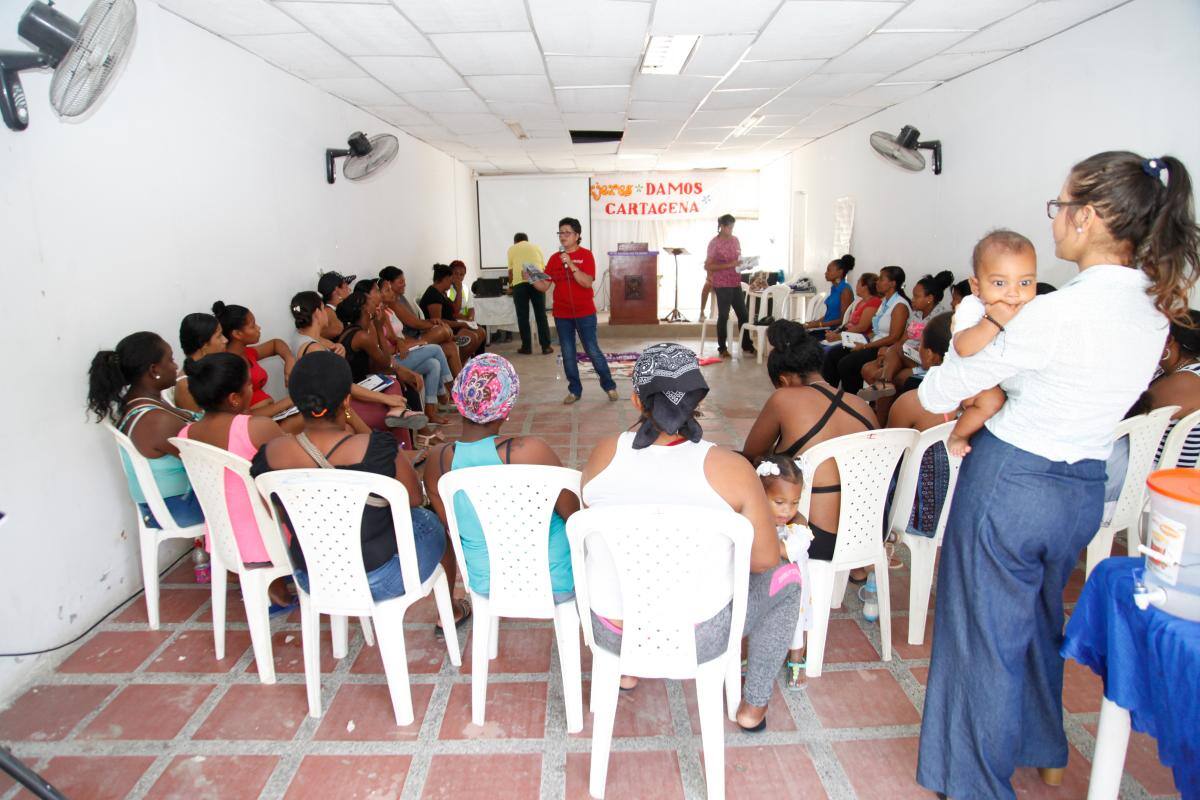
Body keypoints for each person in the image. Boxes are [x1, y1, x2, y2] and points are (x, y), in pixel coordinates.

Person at [915, 152, 1199, 800]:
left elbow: (940, 390)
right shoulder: (1154, 311)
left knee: (981, 637)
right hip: (1081, 490)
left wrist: (980, 324)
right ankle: (1043, 748)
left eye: (1060, 207)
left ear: (1090, 216)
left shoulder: (1052, 312)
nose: (1056, 221)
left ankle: (974, 784)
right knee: (1041, 616)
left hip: (1010, 484)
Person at [580, 344, 800, 730]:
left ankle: (627, 671)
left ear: (636, 399)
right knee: (789, 579)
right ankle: (753, 707)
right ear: (699, 397)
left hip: (611, 631)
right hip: (701, 637)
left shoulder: (602, 454)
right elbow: (764, 560)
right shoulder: (731, 468)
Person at [250, 351, 449, 603]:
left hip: (312, 576)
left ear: (295, 402)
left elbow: (274, 512)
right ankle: (450, 610)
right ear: (347, 400)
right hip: (379, 578)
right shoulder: (375, 448)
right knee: (429, 519)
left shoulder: (269, 454)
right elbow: (412, 498)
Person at [424, 354, 579, 628]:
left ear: (459, 402)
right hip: (555, 579)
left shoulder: (438, 461)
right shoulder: (528, 451)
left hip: (487, 583)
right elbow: (574, 514)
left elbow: (453, 528)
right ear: (506, 409)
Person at [742, 321, 878, 580]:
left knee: (755, 476)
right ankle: (858, 569)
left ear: (783, 379)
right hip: (868, 532)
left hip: (814, 538)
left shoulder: (784, 398)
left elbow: (751, 456)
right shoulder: (861, 404)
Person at [175, 353, 293, 610]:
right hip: (268, 540)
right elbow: (292, 470)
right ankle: (283, 582)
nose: (253, 389)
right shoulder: (256, 427)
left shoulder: (186, 433)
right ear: (234, 398)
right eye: (249, 384)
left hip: (222, 538)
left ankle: (267, 584)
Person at [88, 332, 204, 529]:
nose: (176, 366)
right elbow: (204, 459)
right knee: (262, 487)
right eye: (171, 359)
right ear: (153, 370)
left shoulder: (141, 402)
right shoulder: (156, 420)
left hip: (166, 503)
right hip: (178, 507)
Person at [939, 231, 1039, 456]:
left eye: (1025, 282)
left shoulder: (1027, 308)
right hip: (968, 375)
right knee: (993, 401)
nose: (1013, 293)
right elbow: (963, 347)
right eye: (1000, 283)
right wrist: (993, 321)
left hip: (998, 377)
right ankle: (958, 434)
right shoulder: (972, 306)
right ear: (976, 286)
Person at [288, 290, 429, 442]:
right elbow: (345, 386)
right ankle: (401, 444)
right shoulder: (314, 349)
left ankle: (399, 419)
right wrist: (386, 399)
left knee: (393, 385)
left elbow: (321, 346)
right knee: (393, 394)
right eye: (323, 309)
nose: (327, 313)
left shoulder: (301, 337)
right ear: (317, 313)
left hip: (337, 401)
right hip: (340, 409)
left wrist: (335, 348)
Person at [335, 290, 447, 430]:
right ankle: (421, 430)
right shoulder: (362, 336)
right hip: (359, 387)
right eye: (370, 301)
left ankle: (419, 429)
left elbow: (378, 363)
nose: (375, 303)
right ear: (364, 308)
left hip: (365, 379)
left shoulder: (353, 331)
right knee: (403, 380)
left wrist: (400, 369)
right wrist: (379, 328)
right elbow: (385, 360)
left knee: (407, 374)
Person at [539, 217, 618, 404]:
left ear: (577, 235)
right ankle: (574, 390)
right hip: (562, 314)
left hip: (584, 312)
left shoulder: (586, 255)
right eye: (560, 232)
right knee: (568, 353)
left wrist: (572, 264)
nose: (563, 236)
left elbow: (587, 282)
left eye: (567, 232)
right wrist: (531, 278)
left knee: (592, 350)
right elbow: (544, 286)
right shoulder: (553, 258)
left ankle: (609, 386)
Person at [754, 454, 813, 691]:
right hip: (764, 584)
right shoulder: (759, 519)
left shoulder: (798, 528)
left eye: (795, 502)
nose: (787, 510)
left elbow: (783, 550)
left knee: (795, 624)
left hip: (792, 589)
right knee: (761, 621)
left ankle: (796, 659)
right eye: (779, 502)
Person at [822, 265, 911, 393]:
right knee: (833, 354)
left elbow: (893, 337)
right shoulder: (885, 302)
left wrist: (864, 347)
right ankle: (829, 393)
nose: (877, 282)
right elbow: (876, 331)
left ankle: (853, 401)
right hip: (872, 342)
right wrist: (859, 340)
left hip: (885, 347)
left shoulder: (900, 306)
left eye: (881, 279)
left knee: (847, 364)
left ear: (892, 283)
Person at [212, 300, 298, 421]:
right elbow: (241, 417)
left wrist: (289, 359)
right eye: (252, 325)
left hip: (271, 416)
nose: (258, 328)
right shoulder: (228, 368)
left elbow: (276, 344)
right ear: (237, 334)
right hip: (252, 425)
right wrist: (287, 402)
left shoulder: (247, 353)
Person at [379, 265, 463, 380]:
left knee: (451, 346)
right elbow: (415, 324)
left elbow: (417, 321)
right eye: (400, 282)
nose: (404, 284)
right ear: (389, 283)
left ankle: (461, 386)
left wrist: (431, 322)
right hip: (411, 340)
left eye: (404, 281)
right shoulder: (392, 304)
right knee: (444, 330)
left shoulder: (400, 298)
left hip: (416, 336)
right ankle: (451, 337)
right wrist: (433, 324)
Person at [704, 213, 754, 358]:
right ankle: (722, 348)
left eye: (733, 226)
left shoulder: (735, 240)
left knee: (743, 314)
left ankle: (746, 344)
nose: (731, 229)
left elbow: (738, 261)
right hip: (722, 284)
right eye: (729, 227)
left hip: (735, 282)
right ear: (722, 226)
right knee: (724, 316)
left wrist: (746, 265)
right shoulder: (715, 243)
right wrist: (729, 265)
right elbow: (708, 265)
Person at [420, 264, 486, 359]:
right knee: (473, 337)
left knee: (481, 331)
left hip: (451, 325)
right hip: (445, 329)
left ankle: (474, 361)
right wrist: (461, 324)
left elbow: (455, 309)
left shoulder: (442, 293)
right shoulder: (433, 295)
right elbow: (438, 322)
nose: (452, 281)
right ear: (445, 279)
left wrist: (459, 290)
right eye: (451, 278)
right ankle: (460, 363)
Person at [507, 232, 553, 355]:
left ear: (515, 241)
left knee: (523, 316)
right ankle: (546, 346)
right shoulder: (536, 247)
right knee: (541, 315)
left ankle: (526, 347)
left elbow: (511, 272)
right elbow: (542, 268)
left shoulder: (512, 249)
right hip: (536, 281)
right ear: (527, 240)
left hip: (519, 284)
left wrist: (510, 286)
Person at [173, 312, 227, 413]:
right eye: (219, 336)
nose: (225, 340)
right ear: (204, 344)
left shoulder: (211, 367)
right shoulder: (186, 386)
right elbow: (196, 425)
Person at [818, 272, 880, 342]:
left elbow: (862, 327)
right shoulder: (861, 302)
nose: (856, 286)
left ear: (865, 287)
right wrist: (835, 332)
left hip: (856, 339)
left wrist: (839, 336)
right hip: (846, 334)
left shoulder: (874, 302)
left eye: (858, 283)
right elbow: (849, 323)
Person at [804, 255, 856, 332]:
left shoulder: (845, 290)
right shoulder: (834, 288)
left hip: (833, 330)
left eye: (829, 270)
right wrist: (813, 323)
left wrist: (818, 325)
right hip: (826, 327)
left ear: (840, 272)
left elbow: (843, 320)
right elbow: (829, 316)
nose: (826, 273)